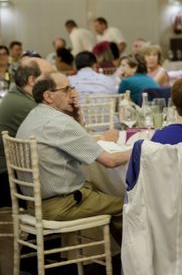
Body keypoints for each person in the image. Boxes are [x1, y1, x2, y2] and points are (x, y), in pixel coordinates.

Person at [16, 72, 130, 241]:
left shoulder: (34, 116)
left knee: (99, 189)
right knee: (128, 205)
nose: (74, 94)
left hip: (35, 204)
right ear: (49, 96)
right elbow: (110, 161)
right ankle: (130, 264)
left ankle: (112, 258)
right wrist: (141, 148)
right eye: (67, 89)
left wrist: (76, 119)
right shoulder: (59, 122)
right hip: (62, 205)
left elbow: (76, 147)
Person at [0, 57, 55, 205]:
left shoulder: (16, 95)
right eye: (49, 76)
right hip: (8, 179)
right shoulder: (27, 106)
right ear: (32, 80)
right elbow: (57, 134)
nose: (53, 81)